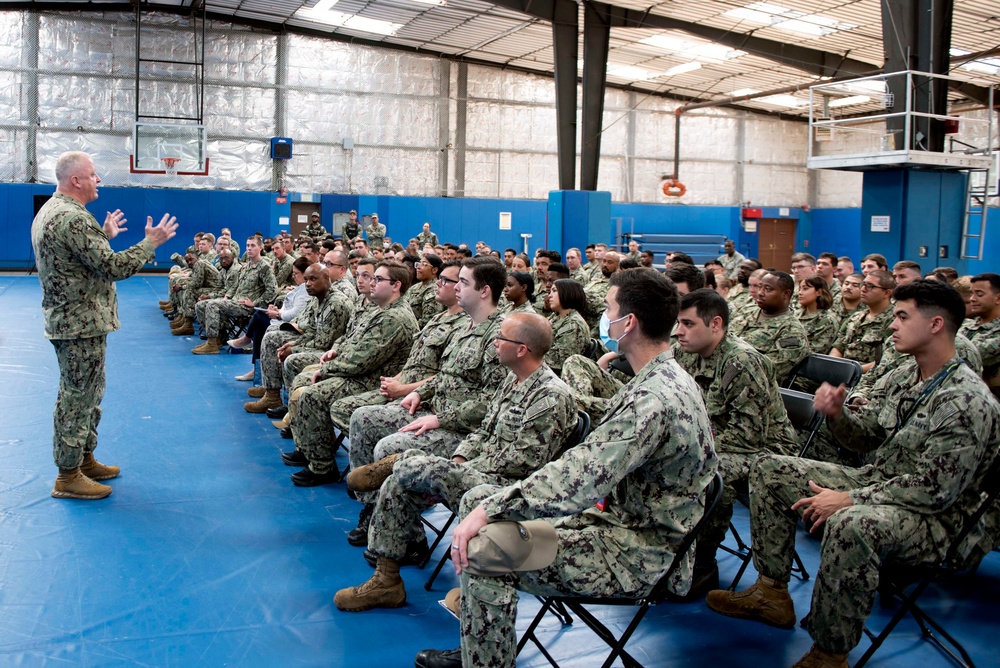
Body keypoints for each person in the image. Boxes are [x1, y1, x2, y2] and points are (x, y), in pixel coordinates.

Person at [415, 268, 718, 668]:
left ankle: (485, 659)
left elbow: (579, 477)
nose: (602, 320)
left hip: (641, 551)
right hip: (620, 524)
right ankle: (482, 647)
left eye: (608, 310)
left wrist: (490, 509)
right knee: (491, 532)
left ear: (629, 323)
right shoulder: (667, 378)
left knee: (483, 548)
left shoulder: (655, 397)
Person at [706, 279, 1000, 668]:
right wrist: (837, 414)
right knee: (769, 469)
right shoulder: (907, 376)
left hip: (937, 518)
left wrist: (848, 498)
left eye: (902, 316)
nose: (892, 325)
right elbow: (866, 439)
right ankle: (771, 591)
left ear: (936, 324)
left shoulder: (965, 400)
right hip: (883, 484)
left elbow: (936, 491)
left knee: (852, 523)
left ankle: (830, 653)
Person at [333, 312, 577, 611]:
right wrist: (460, 459)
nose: (495, 343)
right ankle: (387, 581)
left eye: (501, 338)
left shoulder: (549, 396)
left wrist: (461, 470)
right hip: (481, 470)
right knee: (398, 485)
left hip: (509, 489)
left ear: (522, 348)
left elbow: (523, 463)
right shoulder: (512, 381)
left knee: (423, 468)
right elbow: (483, 431)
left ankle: (405, 461)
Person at [31, 150, 178, 499]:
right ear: (76, 180)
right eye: (93, 174)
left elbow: (78, 260)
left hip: (73, 320)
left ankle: (83, 458)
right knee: (77, 397)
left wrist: (105, 235)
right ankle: (68, 474)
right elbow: (112, 268)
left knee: (89, 393)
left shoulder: (53, 212)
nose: (99, 180)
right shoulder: (74, 218)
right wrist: (150, 243)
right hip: (79, 323)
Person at [673, 288, 798, 594]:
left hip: (766, 452)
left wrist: (689, 446)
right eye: (678, 323)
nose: (679, 332)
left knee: (712, 470)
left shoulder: (741, 361)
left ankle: (701, 563)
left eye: (688, 324)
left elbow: (748, 437)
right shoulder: (687, 355)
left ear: (715, 324)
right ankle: (668, 547)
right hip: (715, 441)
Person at [289, 261, 419, 485]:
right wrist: (334, 352)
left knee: (313, 395)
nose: (371, 283)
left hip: (374, 381)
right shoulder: (378, 309)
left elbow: (360, 362)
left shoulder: (393, 318)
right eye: (372, 278)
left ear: (396, 285)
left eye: (378, 279)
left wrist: (326, 369)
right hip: (364, 374)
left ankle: (322, 467)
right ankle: (311, 448)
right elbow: (352, 339)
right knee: (307, 383)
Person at [193, 235, 277, 355]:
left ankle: (211, 344)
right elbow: (236, 286)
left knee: (212, 305)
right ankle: (217, 338)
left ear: (260, 248)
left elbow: (272, 290)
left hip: (245, 306)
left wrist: (255, 303)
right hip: (235, 300)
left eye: (253, 246)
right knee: (200, 305)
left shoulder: (264, 267)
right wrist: (227, 296)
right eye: (248, 245)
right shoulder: (246, 265)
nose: (249, 248)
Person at [728, 271, 810, 383]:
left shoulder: (792, 332)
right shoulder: (746, 311)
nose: (760, 293)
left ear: (785, 294)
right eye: (760, 287)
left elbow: (766, 372)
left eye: (768, 289)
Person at [830, 269, 896, 371]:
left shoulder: (894, 321)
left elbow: (887, 360)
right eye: (863, 285)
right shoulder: (856, 317)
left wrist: (851, 372)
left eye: (870, 286)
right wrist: (833, 366)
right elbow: (839, 347)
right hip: (842, 373)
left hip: (869, 378)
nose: (863, 289)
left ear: (887, 293)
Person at [543, 278, 590, 375]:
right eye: (550, 291)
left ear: (568, 293)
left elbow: (558, 361)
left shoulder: (573, 324)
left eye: (554, 291)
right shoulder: (557, 316)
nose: (549, 296)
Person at [796, 275, 841, 356]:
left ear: (819, 292)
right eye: (800, 289)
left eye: (805, 288)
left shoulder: (827, 320)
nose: (800, 292)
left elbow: (815, 351)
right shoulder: (796, 314)